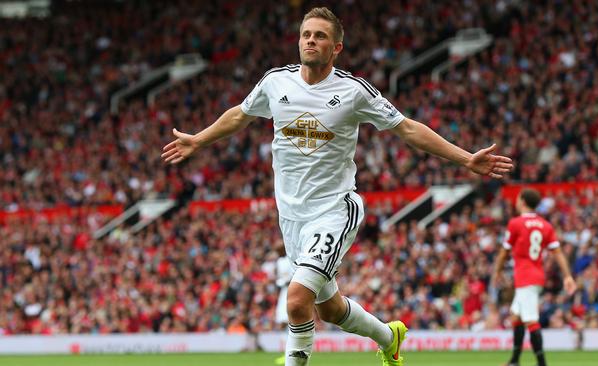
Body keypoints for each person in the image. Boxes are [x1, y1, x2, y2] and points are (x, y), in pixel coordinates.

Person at [162, 7, 514, 365]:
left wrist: (465, 158)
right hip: (291, 217)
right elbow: (240, 113)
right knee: (329, 309)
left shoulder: (353, 91)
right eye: (306, 35)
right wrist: (199, 140)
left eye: (320, 36)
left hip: (334, 209)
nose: (311, 40)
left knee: (297, 299)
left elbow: (407, 128)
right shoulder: (275, 82)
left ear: (337, 48)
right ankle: (388, 336)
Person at [492, 188, 576, 366]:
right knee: (516, 316)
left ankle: (542, 364)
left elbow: (503, 253)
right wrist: (567, 276)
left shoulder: (515, 223)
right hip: (536, 275)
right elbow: (558, 253)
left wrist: (497, 272)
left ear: (522, 201)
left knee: (530, 320)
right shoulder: (545, 225)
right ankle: (514, 361)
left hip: (525, 278)